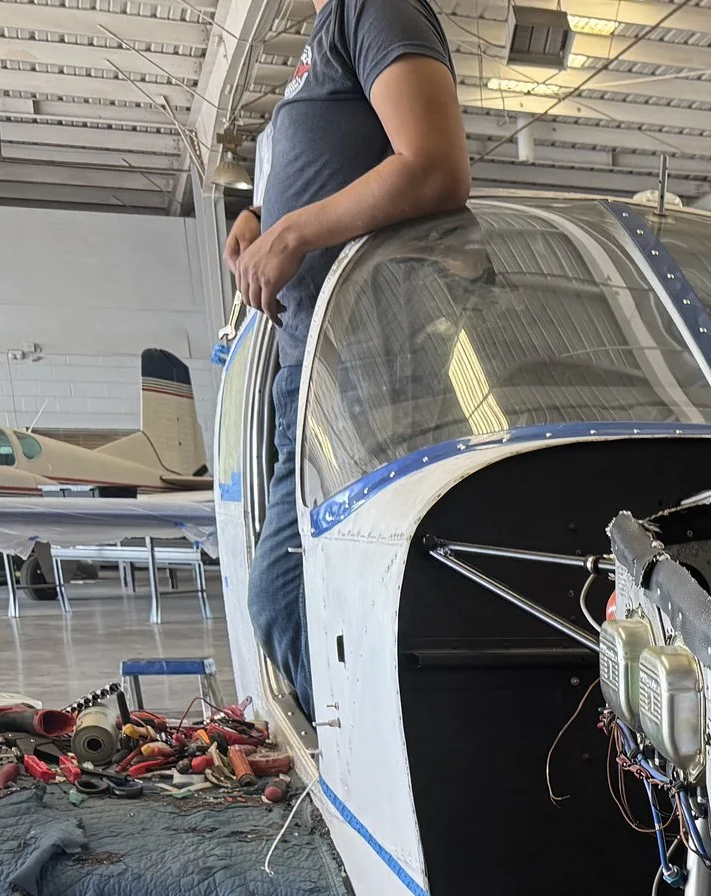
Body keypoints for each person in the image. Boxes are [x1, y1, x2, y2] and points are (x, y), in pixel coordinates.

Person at [222, 0, 468, 717]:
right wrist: (259, 216)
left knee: (289, 594)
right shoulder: (318, 45)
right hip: (310, 367)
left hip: (371, 356)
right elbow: (338, 168)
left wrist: (293, 231)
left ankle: (367, 770)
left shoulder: (375, 7)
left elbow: (435, 167)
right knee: (297, 596)